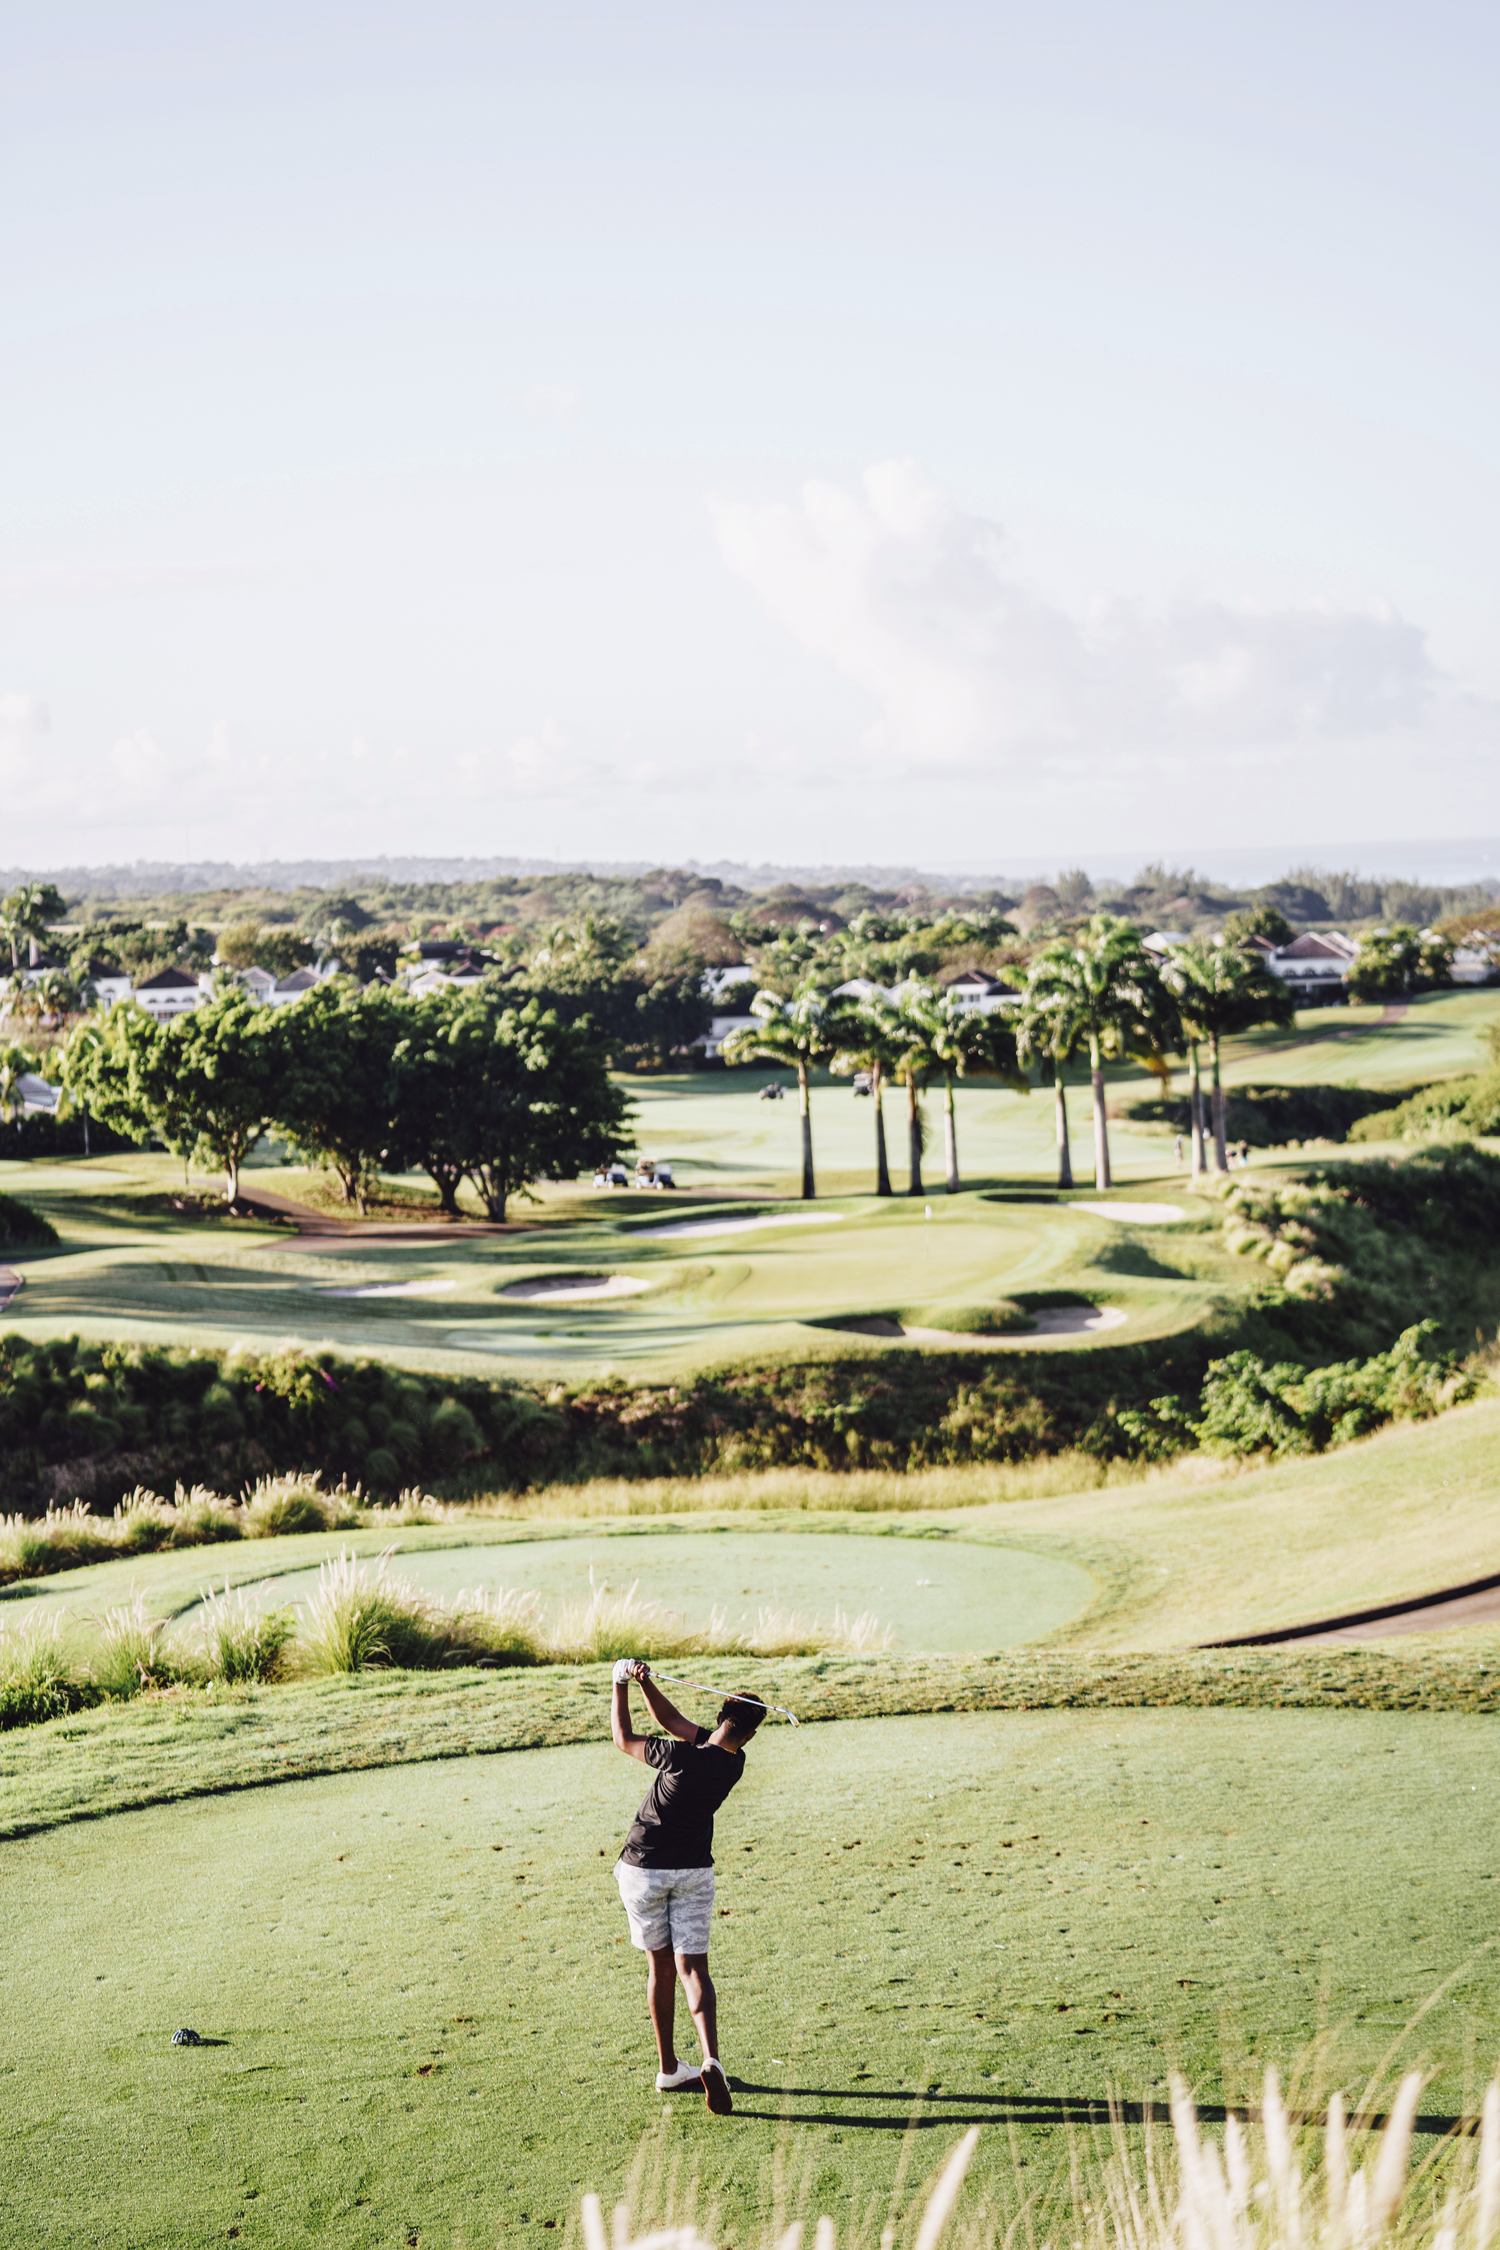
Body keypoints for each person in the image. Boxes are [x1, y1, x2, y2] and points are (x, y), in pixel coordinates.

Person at [610, 1658, 765, 2116]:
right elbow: (672, 1721)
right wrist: (646, 1683)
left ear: (719, 1718)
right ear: (749, 1734)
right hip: (694, 1872)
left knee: (660, 1968)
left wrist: (619, 1682)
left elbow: (625, 1739)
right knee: (694, 1968)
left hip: (644, 1871)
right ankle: (710, 2059)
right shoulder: (733, 1763)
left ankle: (668, 2068)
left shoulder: (679, 1756)